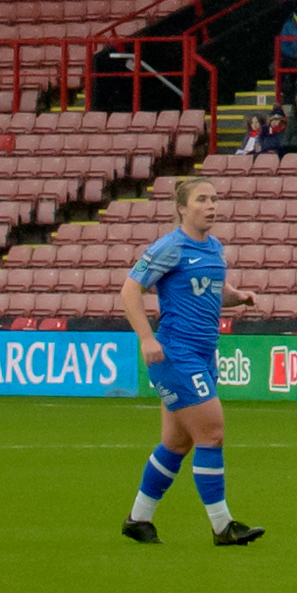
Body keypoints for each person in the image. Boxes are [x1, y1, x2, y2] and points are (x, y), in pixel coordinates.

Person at [117, 171, 263, 550]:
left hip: (201, 354)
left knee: (176, 443)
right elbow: (130, 289)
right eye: (201, 200)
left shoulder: (214, 248)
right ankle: (222, 526)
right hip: (176, 353)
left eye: (213, 199)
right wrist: (146, 338)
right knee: (212, 432)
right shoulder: (170, 246)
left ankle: (138, 519)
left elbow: (214, 291)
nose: (210, 205)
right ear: (181, 209)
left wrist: (238, 296)